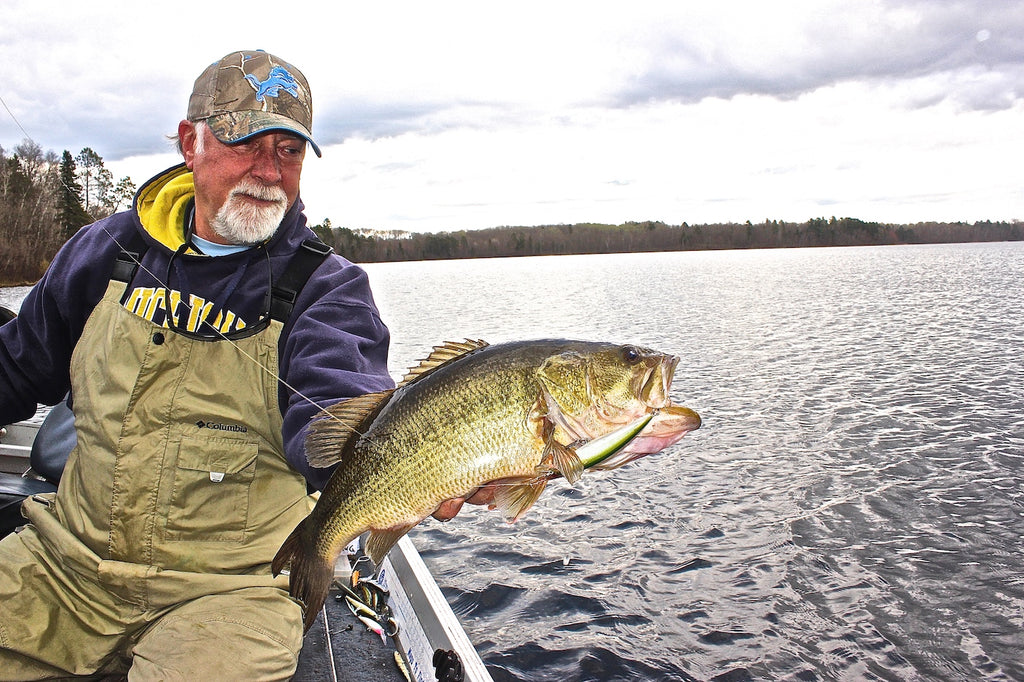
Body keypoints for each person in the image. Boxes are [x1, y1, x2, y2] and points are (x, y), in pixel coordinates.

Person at [0, 50, 396, 680]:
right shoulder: (106, 250)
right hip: (64, 564)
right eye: (246, 142)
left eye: (290, 151)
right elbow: (15, 369)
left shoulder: (329, 291)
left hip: (232, 594)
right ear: (191, 142)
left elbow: (338, 413)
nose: (269, 171)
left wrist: (439, 463)